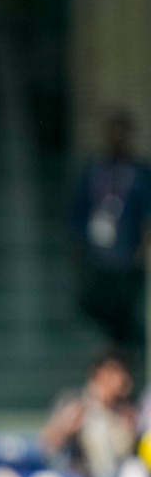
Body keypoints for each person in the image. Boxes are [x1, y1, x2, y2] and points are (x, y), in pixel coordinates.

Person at [70, 110, 151, 345]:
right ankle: (118, 346)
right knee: (91, 304)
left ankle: (124, 349)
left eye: (122, 134)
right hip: (97, 255)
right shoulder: (93, 171)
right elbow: (79, 208)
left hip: (127, 256)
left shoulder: (140, 174)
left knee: (125, 309)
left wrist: (143, 246)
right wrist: (77, 242)